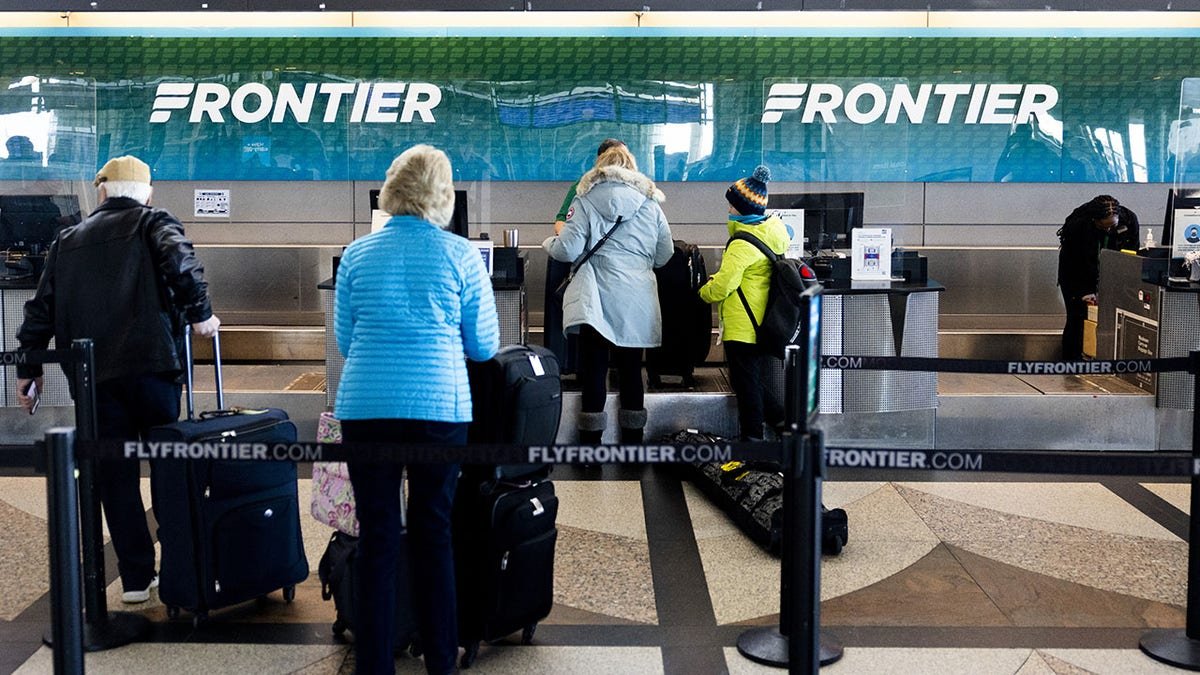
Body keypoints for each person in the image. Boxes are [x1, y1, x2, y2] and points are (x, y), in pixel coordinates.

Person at [14, 155, 221, 603]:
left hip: (95, 379)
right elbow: (181, 263)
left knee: (115, 477)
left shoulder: (68, 239)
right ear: (147, 192)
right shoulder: (153, 221)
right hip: (153, 369)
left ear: (102, 191)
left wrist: (28, 369)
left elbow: (40, 310)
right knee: (168, 467)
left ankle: (134, 578)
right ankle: (178, 569)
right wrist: (202, 315)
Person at [334, 144, 499, 675]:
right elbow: (485, 346)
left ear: (391, 191)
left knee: (377, 535)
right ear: (443, 197)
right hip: (439, 407)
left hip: (366, 406)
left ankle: (374, 665)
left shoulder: (357, 254)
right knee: (433, 532)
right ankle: (439, 661)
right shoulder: (462, 256)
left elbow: (343, 340)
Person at [543, 144, 674, 444]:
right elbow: (664, 254)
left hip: (596, 299)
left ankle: (590, 445)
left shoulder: (585, 199)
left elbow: (568, 249)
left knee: (594, 369)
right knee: (630, 369)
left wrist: (549, 243)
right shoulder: (650, 204)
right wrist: (639, 265)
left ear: (600, 167)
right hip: (636, 299)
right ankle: (632, 440)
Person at [698, 165, 789, 441]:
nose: (728, 209)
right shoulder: (770, 234)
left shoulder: (741, 244)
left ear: (741, 209)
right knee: (754, 381)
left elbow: (724, 286)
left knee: (746, 385)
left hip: (743, 326)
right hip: (760, 321)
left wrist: (704, 290)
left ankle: (753, 440)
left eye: (731, 205)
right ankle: (784, 425)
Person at [1056, 195, 1140, 360]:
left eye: (1112, 226)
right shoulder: (1078, 225)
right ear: (1095, 221)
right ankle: (1071, 362)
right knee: (1077, 318)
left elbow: (1131, 255)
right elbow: (1073, 263)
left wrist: (1117, 285)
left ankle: (1103, 359)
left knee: (1110, 320)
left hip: (1112, 275)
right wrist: (1084, 291)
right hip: (1076, 277)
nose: (1108, 230)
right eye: (1104, 227)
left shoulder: (1128, 221)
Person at [552, 138, 627, 235]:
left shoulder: (634, 188)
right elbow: (561, 220)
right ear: (602, 158)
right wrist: (566, 242)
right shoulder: (583, 185)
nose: (625, 160)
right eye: (619, 156)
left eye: (626, 156)